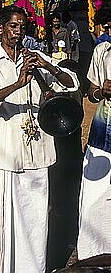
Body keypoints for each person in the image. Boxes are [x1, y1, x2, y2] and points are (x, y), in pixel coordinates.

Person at [0, 5, 79, 273]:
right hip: (6, 153)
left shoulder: (35, 58)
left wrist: (48, 67)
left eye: (22, 26)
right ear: (0, 28)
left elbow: (72, 83)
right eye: (13, 26)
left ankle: (33, 268)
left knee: (35, 218)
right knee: (4, 217)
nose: (18, 32)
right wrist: (18, 84)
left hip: (38, 150)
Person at [77, 40, 111, 260]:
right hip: (103, 134)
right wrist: (101, 91)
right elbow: (91, 94)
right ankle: (93, 256)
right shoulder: (103, 50)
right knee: (93, 200)